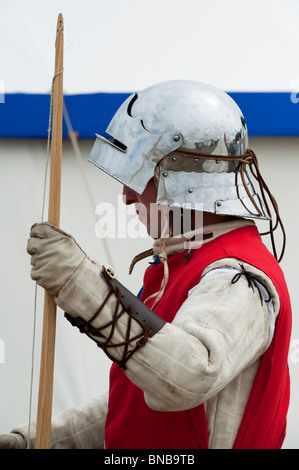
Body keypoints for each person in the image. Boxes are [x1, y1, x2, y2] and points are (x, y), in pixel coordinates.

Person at [0, 80, 292, 449]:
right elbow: (136, 408)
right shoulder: (185, 264)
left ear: (182, 178)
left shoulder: (235, 275)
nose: (125, 197)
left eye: (137, 178)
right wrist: (38, 441)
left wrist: (80, 282)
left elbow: (187, 376)